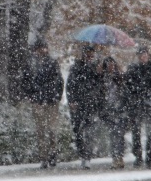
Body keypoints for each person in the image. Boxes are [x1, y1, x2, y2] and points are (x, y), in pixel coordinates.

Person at [25, 39, 64, 169]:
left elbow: (59, 81)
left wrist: (56, 96)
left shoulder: (52, 63)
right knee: (41, 131)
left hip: (51, 101)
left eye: (43, 48)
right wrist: (31, 96)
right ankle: (43, 157)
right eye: (39, 48)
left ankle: (53, 154)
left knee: (52, 130)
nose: (42, 51)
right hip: (38, 101)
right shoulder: (31, 64)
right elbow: (26, 81)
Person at [124, 46, 151, 169]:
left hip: (150, 105)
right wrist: (132, 101)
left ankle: (149, 157)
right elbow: (128, 87)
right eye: (141, 55)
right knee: (136, 132)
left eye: (145, 55)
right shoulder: (132, 69)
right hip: (137, 105)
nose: (143, 57)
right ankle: (138, 156)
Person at [66, 44, 104, 169]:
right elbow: (70, 85)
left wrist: (99, 74)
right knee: (78, 131)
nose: (90, 56)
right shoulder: (76, 68)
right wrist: (71, 100)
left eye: (92, 54)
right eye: (88, 54)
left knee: (90, 132)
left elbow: (101, 86)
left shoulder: (97, 68)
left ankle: (87, 156)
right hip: (78, 104)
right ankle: (82, 154)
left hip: (91, 104)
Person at [100, 56, 127, 169]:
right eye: (108, 64)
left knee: (119, 134)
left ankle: (119, 156)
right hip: (108, 110)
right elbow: (100, 94)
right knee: (113, 134)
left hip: (119, 109)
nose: (111, 66)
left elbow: (125, 93)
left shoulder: (120, 77)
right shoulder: (102, 78)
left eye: (112, 64)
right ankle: (115, 157)